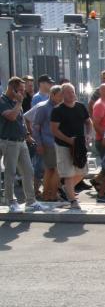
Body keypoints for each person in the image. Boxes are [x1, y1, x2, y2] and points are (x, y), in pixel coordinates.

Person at [0, 77, 42, 212]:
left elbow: (21, 120)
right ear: (12, 88)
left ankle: (31, 201)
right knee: (10, 172)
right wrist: (18, 103)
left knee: (28, 171)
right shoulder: (3, 101)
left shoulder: (17, 101)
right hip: (8, 141)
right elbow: (11, 116)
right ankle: (10, 201)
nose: (23, 93)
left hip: (21, 140)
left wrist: (27, 135)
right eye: (21, 90)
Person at [50, 83, 94, 211]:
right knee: (68, 174)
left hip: (79, 145)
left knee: (82, 172)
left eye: (72, 91)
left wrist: (89, 134)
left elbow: (88, 122)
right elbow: (54, 130)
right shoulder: (58, 110)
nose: (71, 94)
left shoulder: (80, 107)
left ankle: (66, 189)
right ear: (62, 94)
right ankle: (73, 200)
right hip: (63, 145)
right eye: (68, 92)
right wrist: (68, 140)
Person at [23, 85, 62, 202]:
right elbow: (36, 127)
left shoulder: (58, 107)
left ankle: (49, 194)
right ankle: (49, 194)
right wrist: (38, 143)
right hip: (48, 142)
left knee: (51, 170)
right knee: (53, 169)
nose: (62, 98)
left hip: (56, 142)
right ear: (53, 94)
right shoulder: (43, 107)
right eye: (60, 96)